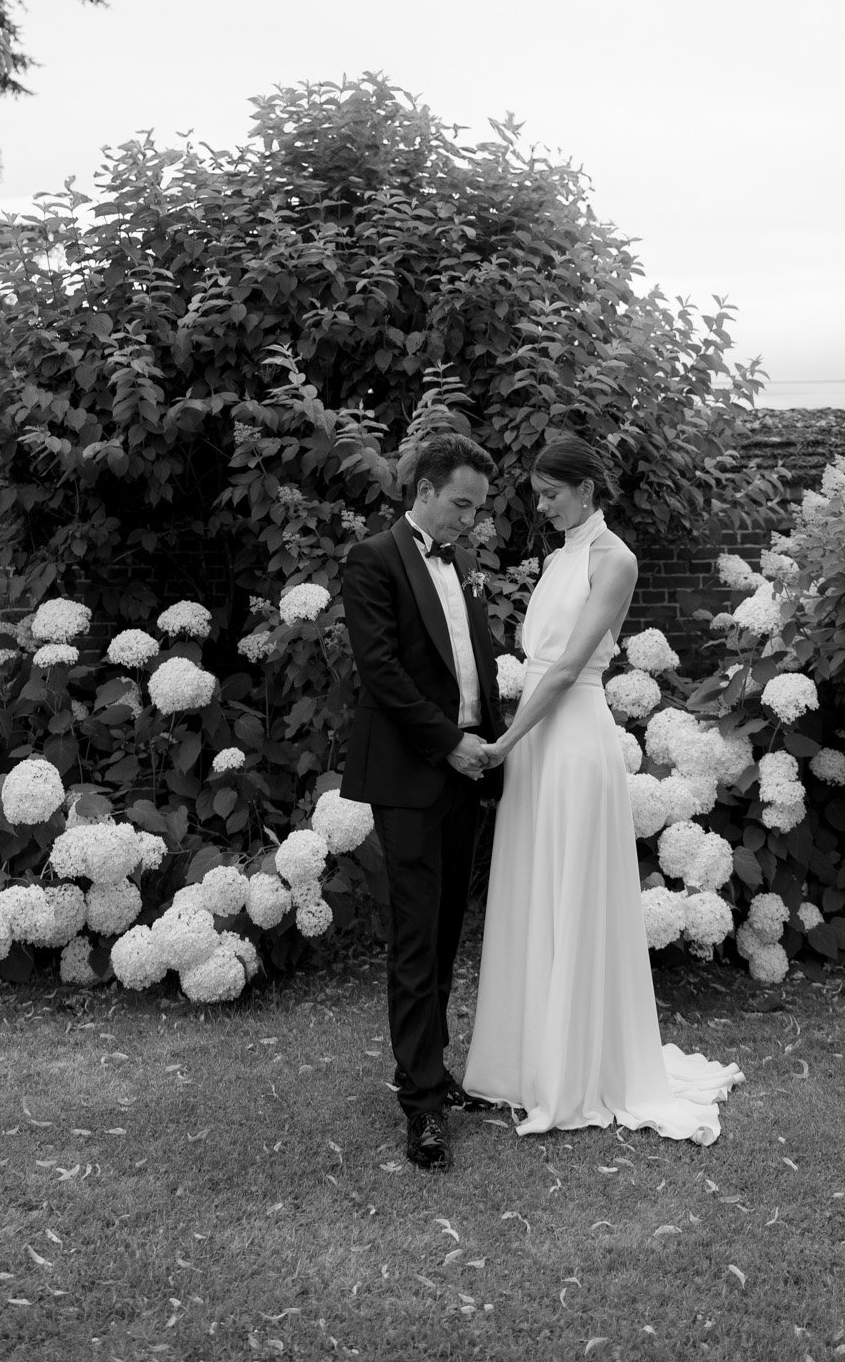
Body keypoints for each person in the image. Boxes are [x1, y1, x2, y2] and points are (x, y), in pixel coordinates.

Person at [464, 430, 744, 1140]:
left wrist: (503, 741)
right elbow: (536, 662)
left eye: (552, 494)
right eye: (538, 496)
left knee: (574, 886)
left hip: (570, 733)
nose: (543, 506)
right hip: (536, 736)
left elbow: (563, 668)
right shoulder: (557, 556)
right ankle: (528, 1057)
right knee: (534, 882)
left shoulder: (614, 558)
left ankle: (578, 1065)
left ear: (586, 489)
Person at [340, 429, 505, 1172]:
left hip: (467, 768)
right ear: (426, 490)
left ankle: (432, 1072)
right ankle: (421, 1106)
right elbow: (380, 671)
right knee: (415, 938)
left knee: (444, 934)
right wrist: (449, 742)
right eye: (460, 506)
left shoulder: (463, 563)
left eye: (475, 510)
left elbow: (473, 663)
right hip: (414, 772)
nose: (468, 521)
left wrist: (492, 745)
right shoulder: (372, 559)